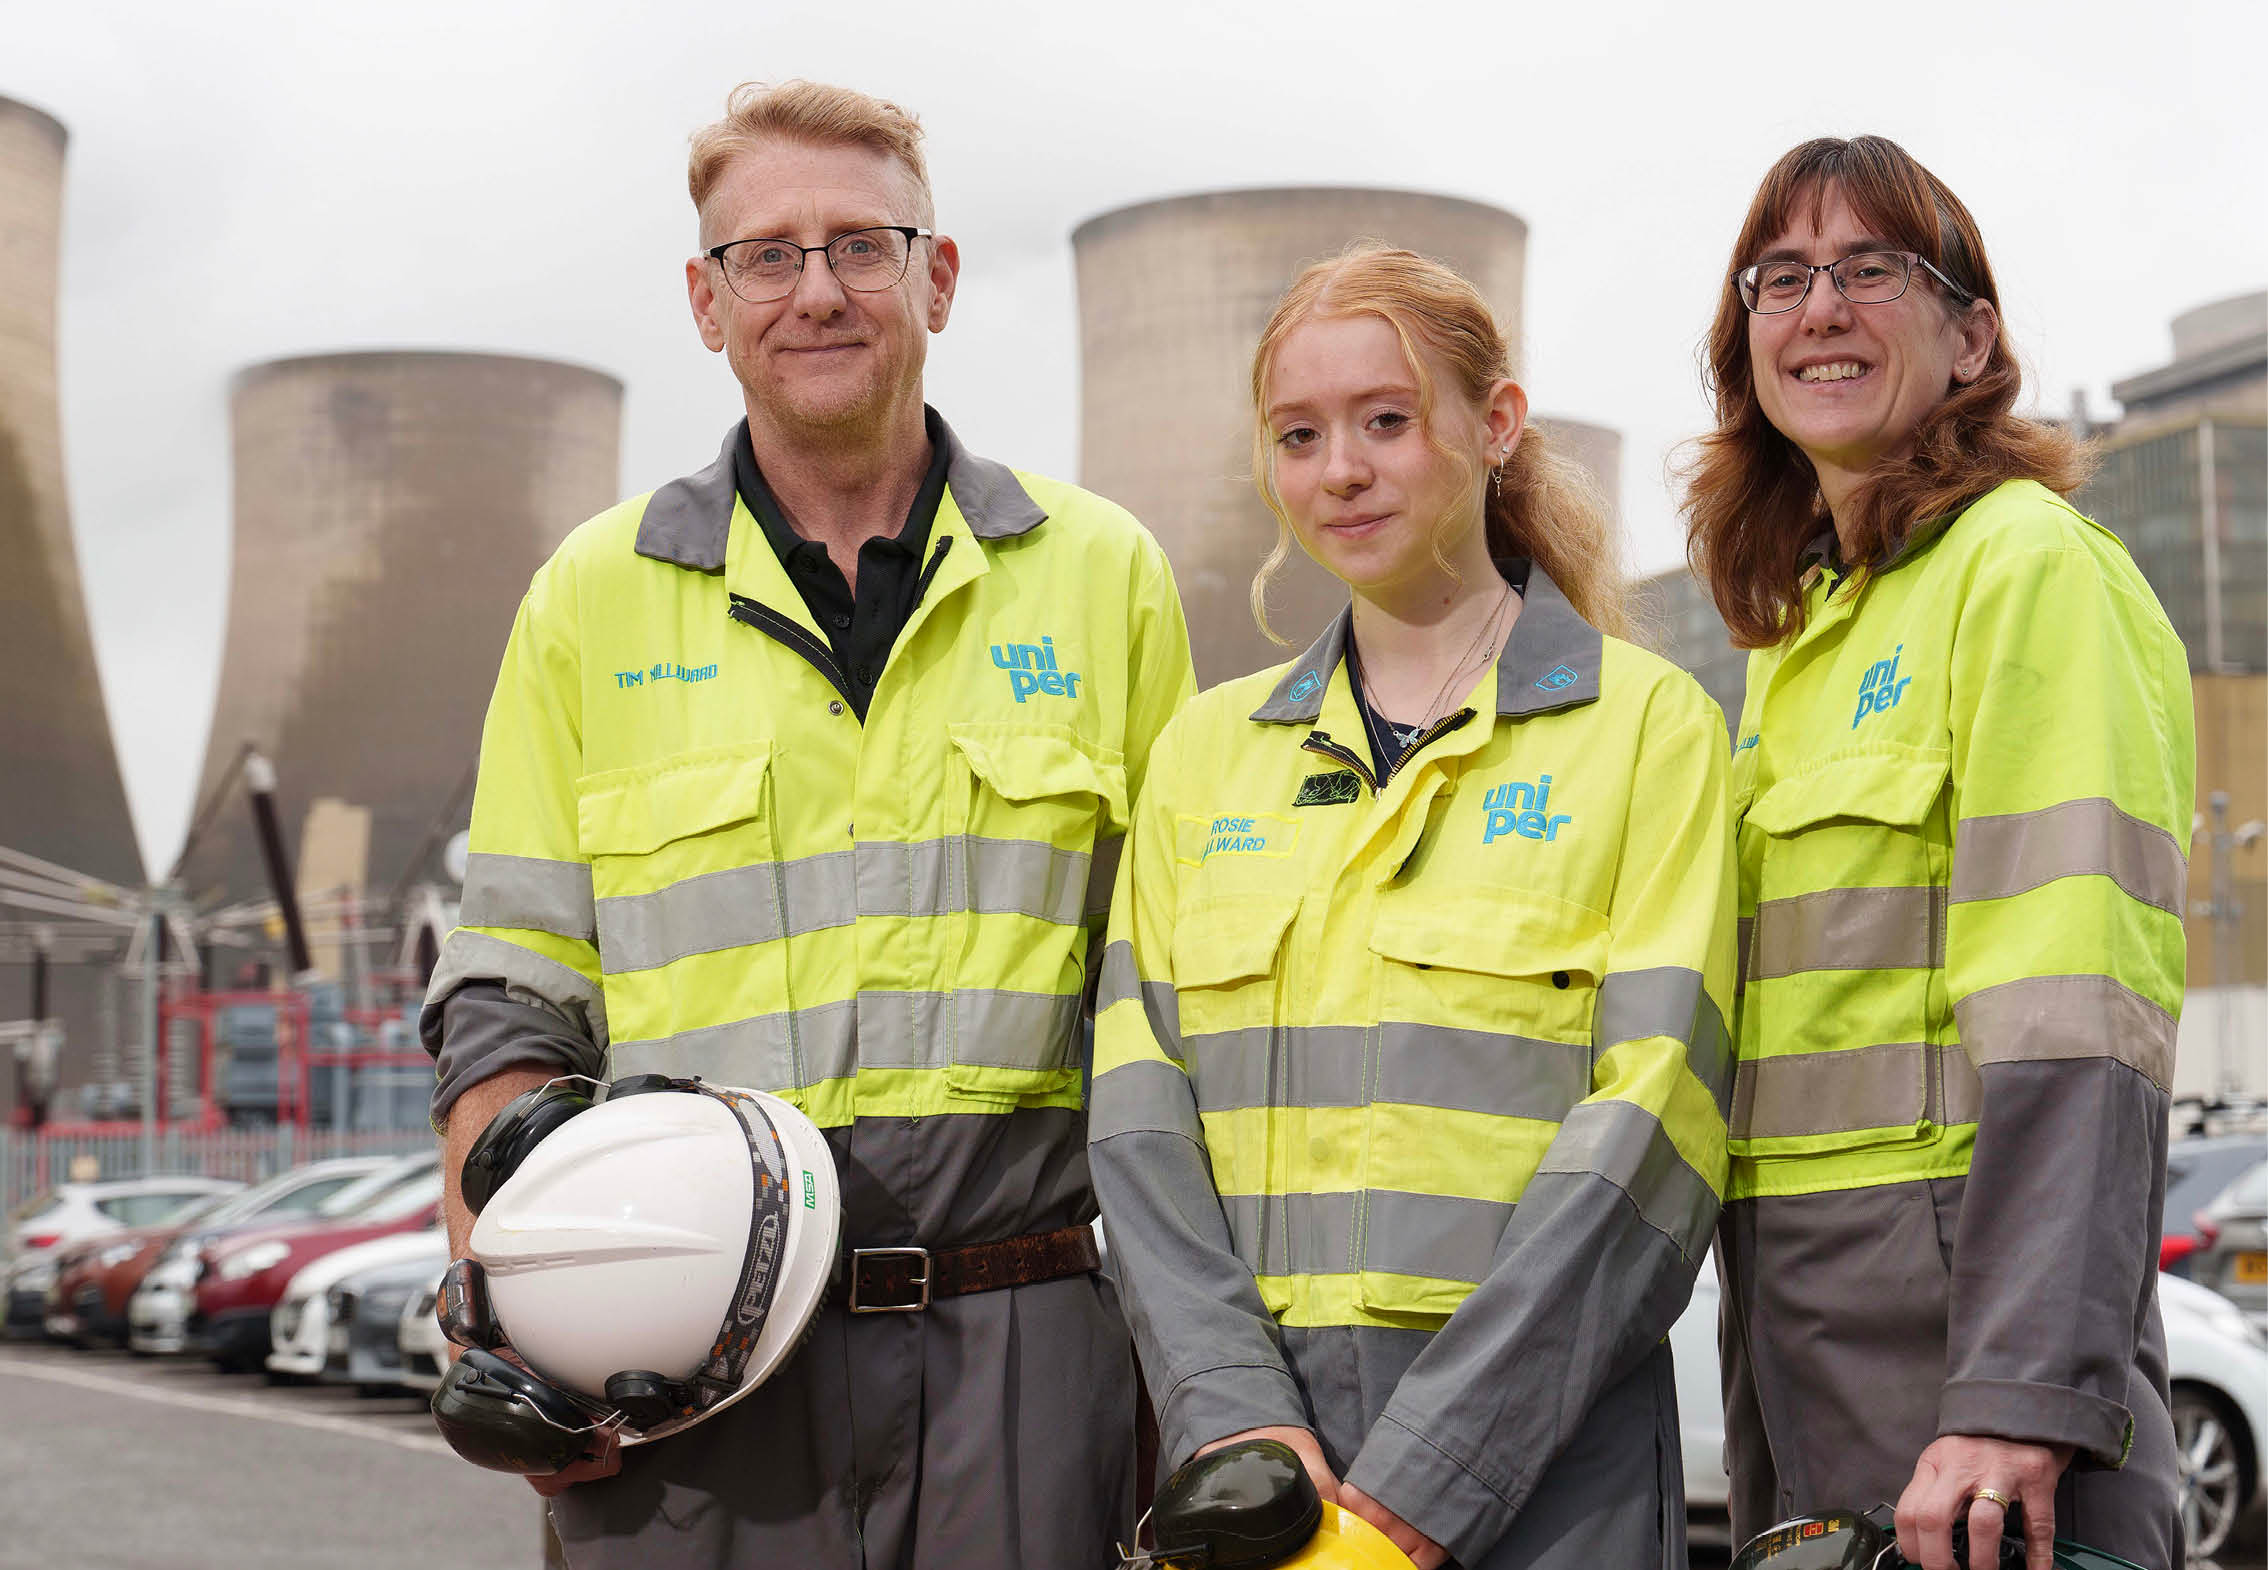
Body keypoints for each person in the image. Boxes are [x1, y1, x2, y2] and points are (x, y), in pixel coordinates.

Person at [420, 79, 1195, 1569]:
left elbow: (1176, 999)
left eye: (863, 245)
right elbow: (508, 992)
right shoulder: (595, 597)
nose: (816, 290)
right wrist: (499, 1309)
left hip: (1016, 1357)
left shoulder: (1105, 579)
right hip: (679, 1365)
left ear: (939, 277)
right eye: (766, 256)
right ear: (707, 304)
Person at [1089, 243, 1738, 1570]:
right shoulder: (1203, 759)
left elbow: (1657, 1118)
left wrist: (1431, 1482)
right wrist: (1233, 1424)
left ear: (1496, 425)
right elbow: (1139, 1124)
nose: (1343, 469)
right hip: (1263, 1480)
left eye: (1387, 420)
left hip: (1553, 1469)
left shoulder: (1644, 731)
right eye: (1301, 434)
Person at [1687, 135, 2191, 1570]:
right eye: (1780, 277)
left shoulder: (2027, 565)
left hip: (1967, 1375)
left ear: (1972, 336)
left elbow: (2079, 1007)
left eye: (1870, 271)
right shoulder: (1803, 636)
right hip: (1804, 1330)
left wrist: (2018, 1395)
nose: (1819, 308)